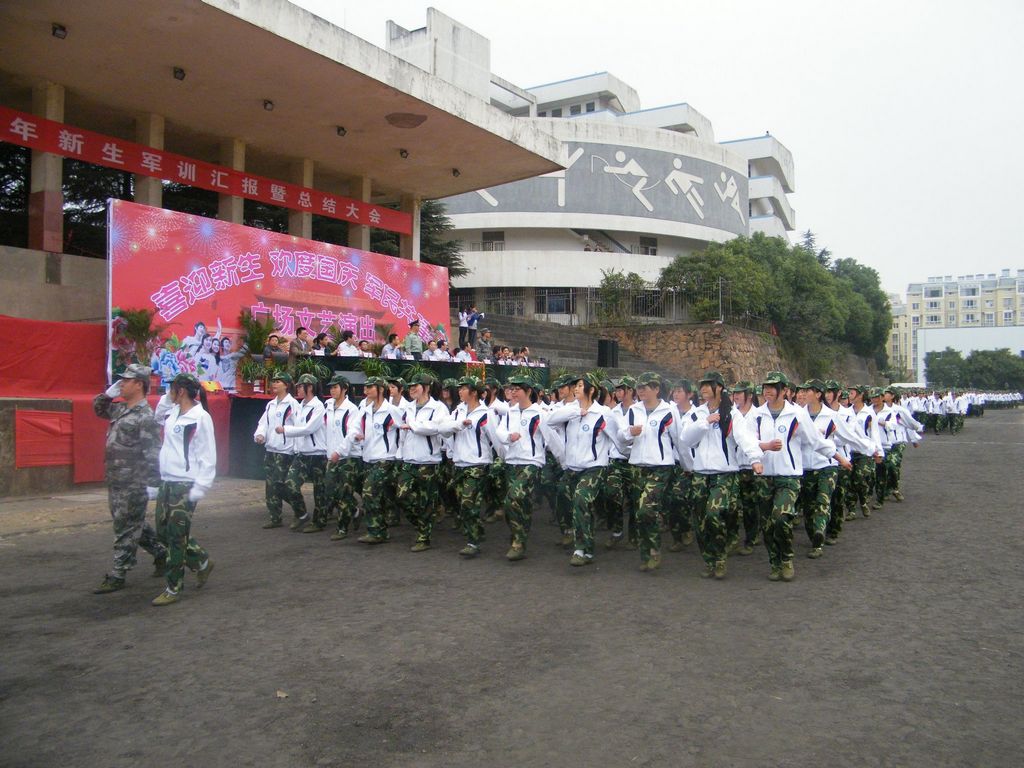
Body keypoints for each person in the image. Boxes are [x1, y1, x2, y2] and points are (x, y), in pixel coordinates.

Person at [749, 372, 845, 582]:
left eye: (773, 387)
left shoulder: (796, 414)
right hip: (764, 476)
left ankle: (787, 558)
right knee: (767, 524)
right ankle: (774, 562)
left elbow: (816, 441)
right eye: (765, 386)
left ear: (784, 391)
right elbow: (747, 443)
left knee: (781, 518)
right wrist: (760, 451)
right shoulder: (756, 415)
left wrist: (838, 457)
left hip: (789, 476)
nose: (768, 390)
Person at [678, 371, 764, 580]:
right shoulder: (697, 414)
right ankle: (709, 560)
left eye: (709, 385)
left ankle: (720, 558)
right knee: (700, 521)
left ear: (720, 388)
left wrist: (755, 459)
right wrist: (704, 422)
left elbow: (745, 438)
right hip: (700, 474)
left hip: (724, 475)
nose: (704, 389)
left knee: (714, 514)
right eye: (703, 385)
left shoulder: (731, 414)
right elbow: (686, 439)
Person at [92, 364, 169, 594]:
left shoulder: (145, 417)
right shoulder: (121, 409)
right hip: (116, 479)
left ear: (139, 384)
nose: (122, 384)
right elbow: (99, 410)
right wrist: (107, 395)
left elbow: (152, 451)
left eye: (126, 380)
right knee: (132, 523)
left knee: (124, 527)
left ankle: (118, 573)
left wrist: (153, 482)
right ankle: (161, 553)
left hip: (134, 482)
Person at [150, 373, 216, 606]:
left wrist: (201, 487)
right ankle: (201, 560)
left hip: (186, 484)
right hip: (167, 481)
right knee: (163, 533)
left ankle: (173, 586)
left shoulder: (200, 417)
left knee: (177, 538)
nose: (168, 392)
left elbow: (208, 456)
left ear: (181, 391)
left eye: (173, 388)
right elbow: (158, 416)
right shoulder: (173, 413)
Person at [546, 373, 624, 566]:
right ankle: (585, 546)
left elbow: (618, 439)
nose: (576, 388)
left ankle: (580, 548)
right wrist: (575, 412)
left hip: (594, 467)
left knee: (581, 499)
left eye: (580, 385)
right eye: (576, 386)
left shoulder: (603, 413)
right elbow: (550, 420)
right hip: (572, 467)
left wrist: (629, 451)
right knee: (565, 496)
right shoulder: (570, 410)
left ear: (591, 390)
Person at [621, 372, 677, 571]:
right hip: (637, 466)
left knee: (647, 508)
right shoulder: (634, 410)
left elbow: (679, 440)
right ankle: (646, 555)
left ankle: (654, 551)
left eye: (646, 387)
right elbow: (621, 437)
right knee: (640, 513)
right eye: (639, 387)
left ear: (656, 389)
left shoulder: (669, 411)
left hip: (661, 467)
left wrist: (686, 466)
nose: (641, 390)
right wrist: (629, 432)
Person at [441, 375, 501, 557]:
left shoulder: (486, 414)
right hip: (459, 464)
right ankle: (475, 533)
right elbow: (443, 429)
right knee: (464, 504)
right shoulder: (458, 411)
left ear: (474, 393)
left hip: (478, 464)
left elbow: (496, 439)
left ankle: (473, 541)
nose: (459, 391)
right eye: (459, 388)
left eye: (464, 388)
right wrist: (458, 424)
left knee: (468, 501)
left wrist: (502, 461)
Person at [493, 375, 547, 560]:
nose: (513, 392)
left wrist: (563, 461)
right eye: (512, 389)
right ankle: (520, 535)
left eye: (517, 389)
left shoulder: (539, 413)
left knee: (512, 499)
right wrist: (509, 436)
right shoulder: (511, 412)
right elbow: (500, 431)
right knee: (519, 505)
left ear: (528, 391)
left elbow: (551, 439)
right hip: (512, 462)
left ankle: (518, 541)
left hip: (531, 463)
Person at [395, 373, 448, 551]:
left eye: (415, 386)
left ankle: (424, 536)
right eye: (410, 386)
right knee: (402, 496)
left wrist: (414, 426)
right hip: (409, 459)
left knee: (426, 501)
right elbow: (403, 433)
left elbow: (436, 428)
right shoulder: (409, 408)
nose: (412, 389)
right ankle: (423, 526)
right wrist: (400, 453)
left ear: (426, 387)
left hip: (428, 461)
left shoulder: (438, 408)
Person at [353, 376, 400, 545]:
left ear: (380, 389)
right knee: (377, 496)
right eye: (365, 387)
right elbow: (356, 428)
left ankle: (375, 530)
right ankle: (381, 530)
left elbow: (404, 429)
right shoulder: (366, 409)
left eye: (370, 387)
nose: (366, 390)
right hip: (369, 457)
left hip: (385, 459)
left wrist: (398, 453)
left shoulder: (391, 410)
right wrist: (358, 436)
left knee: (368, 491)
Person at [279, 373, 328, 532]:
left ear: (310, 387)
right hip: (301, 454)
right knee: (290, 485)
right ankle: (301, 514)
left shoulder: (318, 407)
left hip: (317, 454)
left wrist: (285, 430)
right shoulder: (300, 406)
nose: (298, 389)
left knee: (319, 491)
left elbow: (308, 429)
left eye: (301, 386)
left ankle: (319, 521)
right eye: (298, 386)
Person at [253, 372, 300, 528]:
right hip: (271, 449)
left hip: (285, 450)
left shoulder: (292, 404)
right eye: (273, 381)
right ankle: (275, 517)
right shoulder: (271, 404)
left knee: (281, 484)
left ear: (286, 385)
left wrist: (287, 434)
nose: (274, 384)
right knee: (271, 485)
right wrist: (260, 435)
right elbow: (263, 423)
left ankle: (300, 511)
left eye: (278, 381)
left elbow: (299, 427)